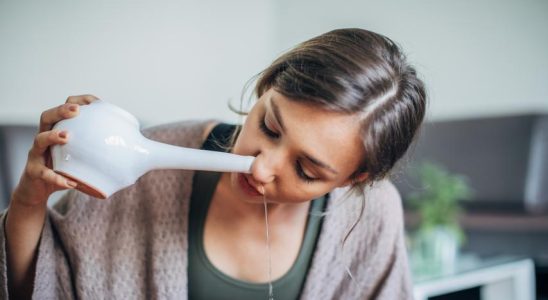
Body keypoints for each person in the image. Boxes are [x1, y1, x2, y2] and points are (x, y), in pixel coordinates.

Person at [1, 28, 426, 299]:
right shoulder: (148, 167)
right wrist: (29, 201)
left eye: (307, 171)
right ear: (264, 88)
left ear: (355, 178)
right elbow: (40, 289)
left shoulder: (372, 214)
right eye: (270, 127)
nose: (260, 169)